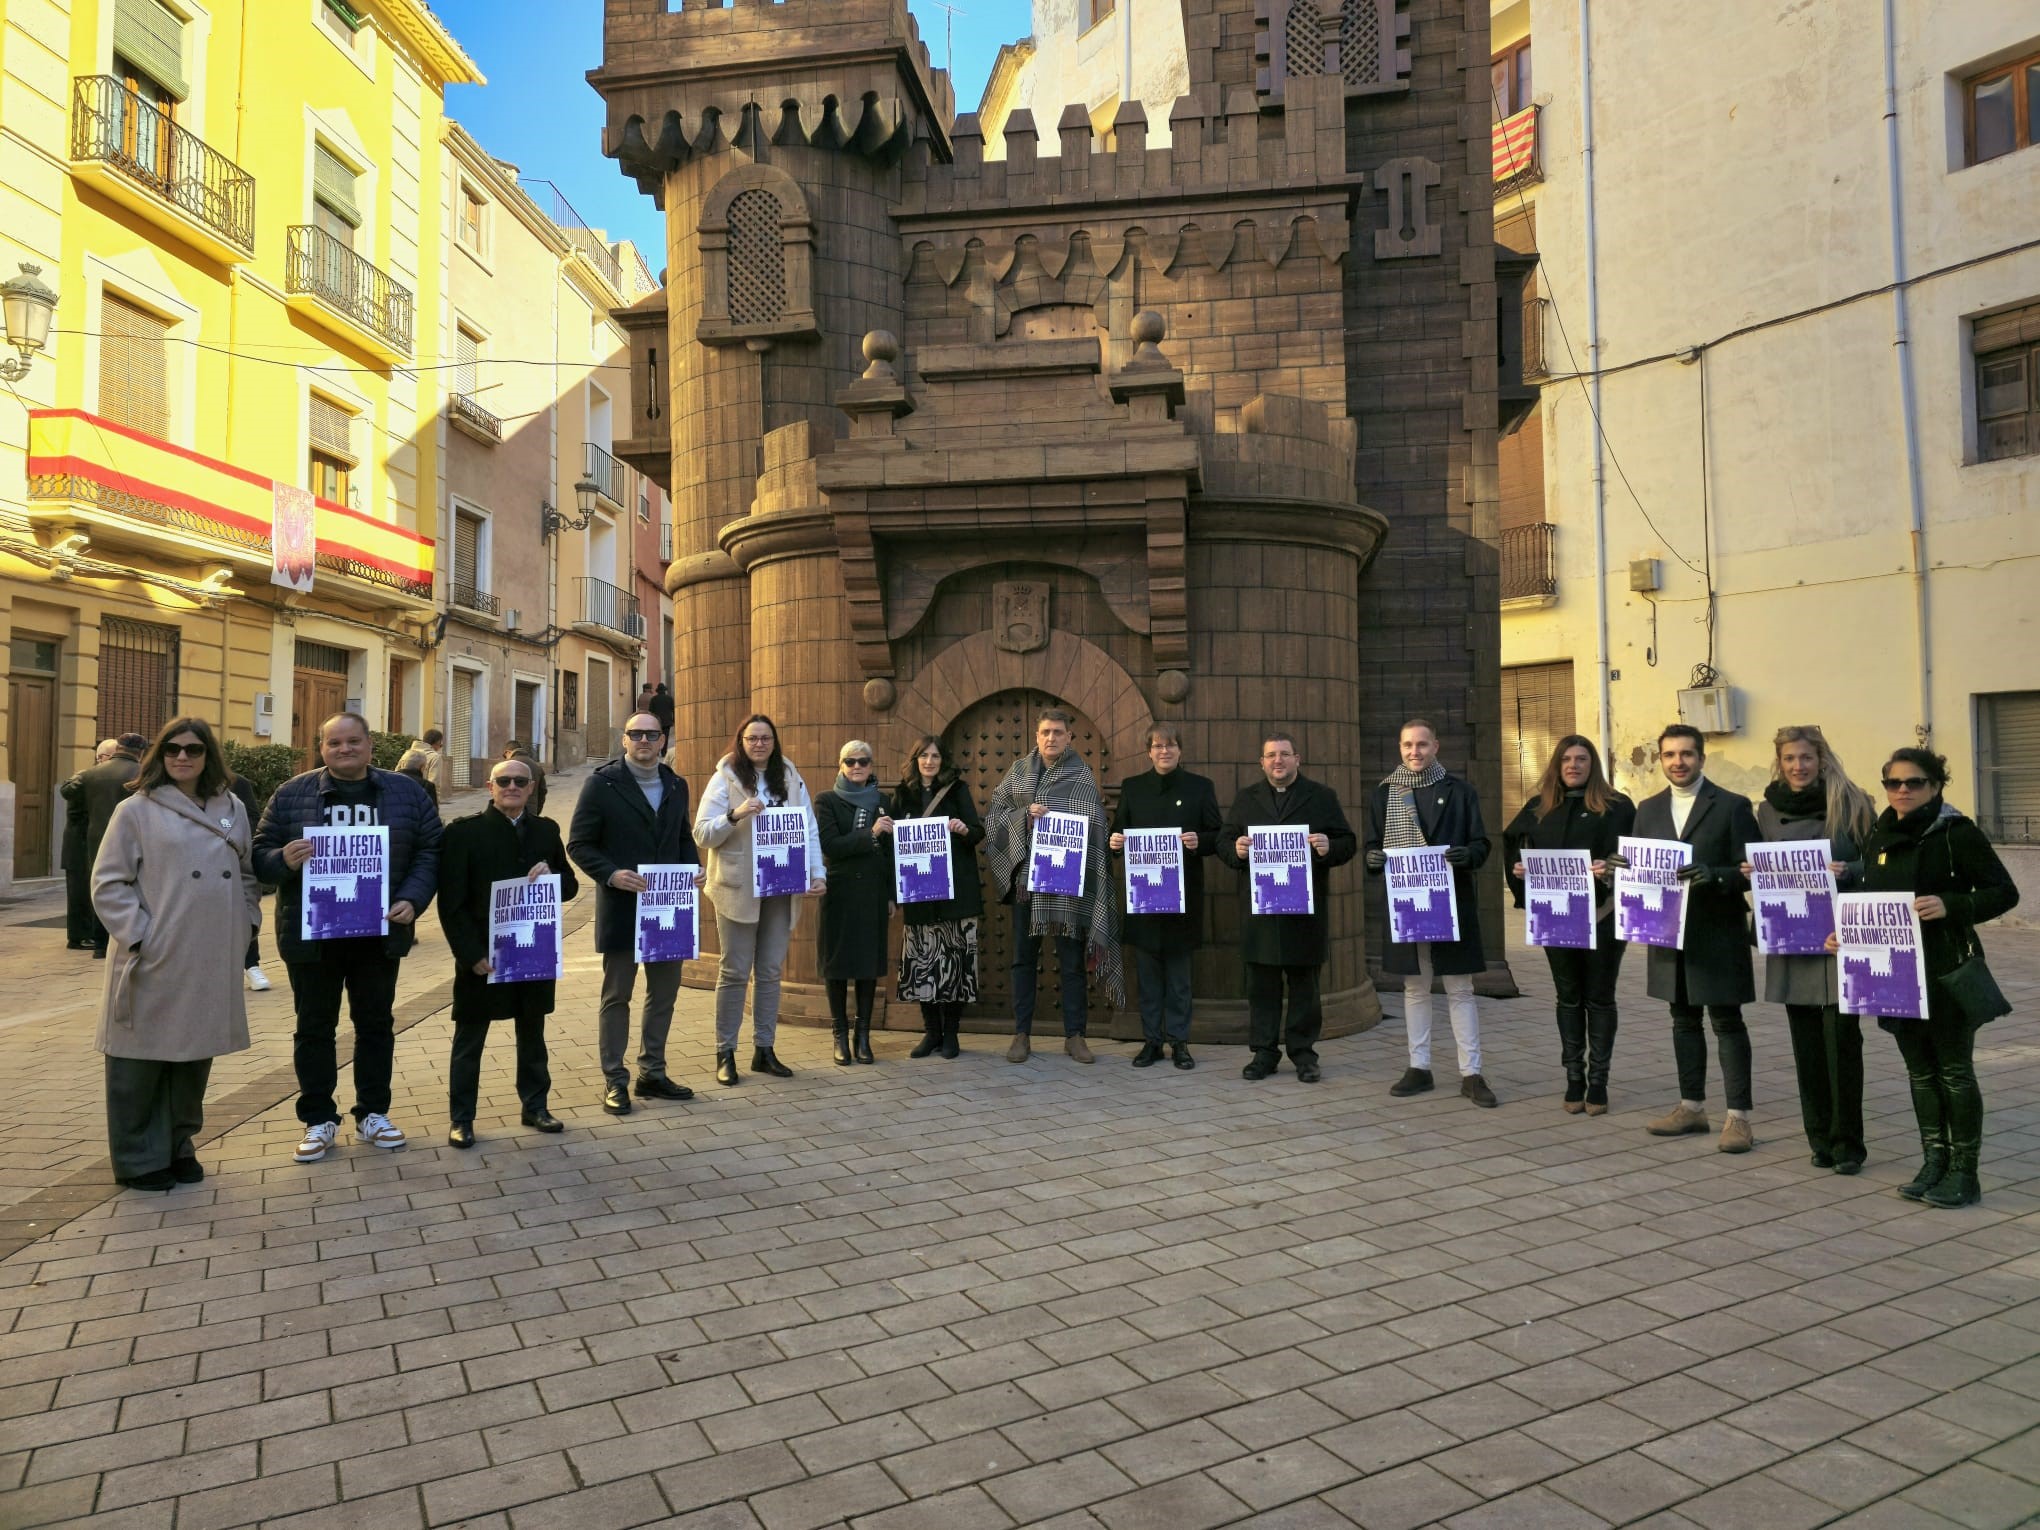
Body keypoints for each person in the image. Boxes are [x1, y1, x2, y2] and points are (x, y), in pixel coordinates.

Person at [254, 710, 443, 1164]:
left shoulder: (405, 791)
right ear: (321, 748)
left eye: (353, 742)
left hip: (378, 934)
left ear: (369, 746)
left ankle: (373, 1113)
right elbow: (258, 855)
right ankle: (318, 1119)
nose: (344, 750)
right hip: (312, 935)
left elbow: (430, 849)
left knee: (375, 1026)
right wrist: (283, 858)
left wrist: (412, 899)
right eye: (334, 743)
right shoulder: (291, 793)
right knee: (314, 1028)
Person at [1842, 748, 2018, 1208]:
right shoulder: (1881, 831)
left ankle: (1965, 1172)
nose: (1902, 791)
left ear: (1937, 786)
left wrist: (1952, 905)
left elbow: (2004, 892)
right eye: (1893, 783)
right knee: (1920, 1073)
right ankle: (1933, 1161)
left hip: (1944, 969)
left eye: (1914, 782)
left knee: (1955, 1072)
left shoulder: (1955, 833)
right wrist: (1845, 934)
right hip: (1893, 970)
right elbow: (1869, 895)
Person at [90, 718, 260, 1191]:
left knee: (191, 1057)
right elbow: (108, 883)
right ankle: (138, 1158)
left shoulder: (232, 808)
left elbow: (245, 874)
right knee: (139, 1061)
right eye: (172, 749)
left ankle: (178, 1145)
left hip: (210, 953)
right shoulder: (135, 810)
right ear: (159, 755)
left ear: (209, 755)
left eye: (193, 749)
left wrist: (245, 923)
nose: (182, 757)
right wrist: (141, 935)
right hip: (155, 953)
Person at [1623, 723, 1762, 1153]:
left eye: (1686, 754)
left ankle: (1738, 1118)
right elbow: (1637, 865)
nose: (1677, 762)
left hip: (1717, 930)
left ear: (1702, 757)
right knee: (1682, 1021)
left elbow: (1752, 870)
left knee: (1726, 1022)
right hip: (1666, 932)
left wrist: (1715, 876)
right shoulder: (1647, 809)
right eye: (1669, 755)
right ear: (1661, 759)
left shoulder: (1734, 806)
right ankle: (1692, 1107)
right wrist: (1618, 866)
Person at [1749, 726, 1875, 1173]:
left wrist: (1851, 870)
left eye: (1805, 757)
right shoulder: (1765, 810)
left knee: (1842, 1043)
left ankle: (1849, 1145)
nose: (1798, 766)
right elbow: (1758, 862)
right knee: (1805, 1046)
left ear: (1821, 760)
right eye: (1789, 759)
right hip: (1792, 939)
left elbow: (1878, 862)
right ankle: (1819, 1139)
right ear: (1779, 763)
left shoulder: (1853, 802)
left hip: (1840, 938)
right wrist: (1752, 871)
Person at [437, 757, 579, 1147]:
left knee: (533, 1032)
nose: (512, 786)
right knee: (470, 1038)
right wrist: (470, 954)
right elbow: (451, 903)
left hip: (532, 951)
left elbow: (569, 886)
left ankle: (535, 1106)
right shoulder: (464, 834)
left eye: (520, 781)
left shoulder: (546, 830)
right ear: (490, 786)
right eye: (504, 780)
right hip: (484, 956)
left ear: (531, 788)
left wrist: (554, 876)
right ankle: (461, 1118)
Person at [569, 712, 703, 1114]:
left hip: (668, 908)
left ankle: (653, 1073)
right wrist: (611, 875)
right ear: (624, 740)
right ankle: (615, 1079)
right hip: (624, 907)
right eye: (636, 734)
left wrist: (693, 868)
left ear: (663, 741)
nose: (644, 740)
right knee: (617, 996)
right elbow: (579, 844)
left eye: (652, 734)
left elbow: (682, 835)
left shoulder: (676, 784)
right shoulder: (602, 784)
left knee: (663, 994)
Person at [1367, 720, 1497, 1107]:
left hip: (1451, 901)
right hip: (1406, 903)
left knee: (1460, 988)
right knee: (1414, 987)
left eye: (1422, 744)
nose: (1414, 752)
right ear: (1399, 747)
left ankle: (1471, 1073)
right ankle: (1419, 1067)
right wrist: (1373, 859)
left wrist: (1468, 855)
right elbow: (1374, 845)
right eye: (1407, 745)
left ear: (1436, 746)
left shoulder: (1461, 792)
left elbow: (1481, 843)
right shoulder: (1385, 794)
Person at [1504, 735, 1635, 1114]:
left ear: (1593, 764)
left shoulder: (1616, 806)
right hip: (1555, 917)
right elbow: (1514, 843)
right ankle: (1573, 1078)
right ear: (1557, 766)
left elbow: (1632, 855)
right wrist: (1519, 871)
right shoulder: (1539, 807)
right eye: (1566, 759)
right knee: (1568, 997)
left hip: (1602, 916)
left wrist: (1610, 867)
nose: (1573, 765)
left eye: (1581, 759)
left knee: (1599, 997)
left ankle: (1599, 1082)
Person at [982, 709, 1121, 1064]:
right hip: (1027, 884)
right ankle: (1021, 1034)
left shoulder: (1081, 776)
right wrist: (1023, 816)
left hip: (1066, 886)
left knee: (1072, 963)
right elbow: (994, 818)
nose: (1051, 738)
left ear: (1069, 737)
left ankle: (1076, 1036)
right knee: (1022, 961)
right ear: (1036, 735)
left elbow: (1096, 829)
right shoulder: (1017, 772)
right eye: (1045, 732)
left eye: (1058, 732)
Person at [1219, 731, 1358, 1083]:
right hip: (1260, 912)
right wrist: (1235, 849)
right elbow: (1223, 839)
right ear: (1261, 762)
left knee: (1304, 989)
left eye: (1284, 754)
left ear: (1297, 759)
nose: (1277, 761)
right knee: (1261, 988)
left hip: (1304, 913)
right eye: (1270, 755)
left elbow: (1347, 842)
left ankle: (1304, 1055)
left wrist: (1329, 846)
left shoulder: (1321, 797)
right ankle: (1264, 1054)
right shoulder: (1245, 798)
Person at [695, 714, 824, 1085]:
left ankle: (764, 1049)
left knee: (769, 971)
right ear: (741, 741)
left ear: (774, 741)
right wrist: (736, 814)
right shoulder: (725, 778)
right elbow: (703, 834)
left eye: (765, 738)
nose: (759, 744)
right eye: (752, 738)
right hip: (738, 886)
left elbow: (809, 828)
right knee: (734, 971)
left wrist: (818, 873)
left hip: (780, 884)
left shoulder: (789, 775)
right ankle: (725, 1051)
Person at [1109, 725, 1223, 1070]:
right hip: (1144, 898)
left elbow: (1217, 835)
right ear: (1149, 751)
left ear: (1180, 750)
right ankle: (1152, 1042)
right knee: (1148, 978)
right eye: (1158, 746)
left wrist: (1198, 842)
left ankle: (1180, 1042)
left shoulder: (1200, 788)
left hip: (1182, 899)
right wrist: (1115, 842)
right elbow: (1118, 830)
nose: (1164, 751)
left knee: (1179, 980)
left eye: (1170, 745)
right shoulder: (1133, 787)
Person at [889, 735, 984, 1060]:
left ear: (943, 760)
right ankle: (931, 1033)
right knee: (923, 964)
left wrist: (961, 830)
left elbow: (977, 832)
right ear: (915, 760)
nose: (929, 761)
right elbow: (893, 850)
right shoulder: (902, 795)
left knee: (955, 964)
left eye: (935, 756)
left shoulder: (957, 790)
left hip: (956, 893)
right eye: (924, 756)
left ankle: (952, 1035)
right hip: (919, 894)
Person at [815, 740, 895, 1065]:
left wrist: (890, 893)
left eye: (863, 761)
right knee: (836, 966)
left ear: (871, 765)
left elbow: (890, 853)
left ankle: (863, 1036)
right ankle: (839, 1035)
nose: (857, 766)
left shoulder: (883, 801)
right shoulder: (827, 800)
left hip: (873, 893)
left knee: (866, 966)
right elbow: (830, 845)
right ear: (841, 764)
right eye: (850, 761)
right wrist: (871, 834)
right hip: (840, 893)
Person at [75, 733, 146, 957]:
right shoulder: (143, 774)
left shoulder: (91, 773)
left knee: (101, 885)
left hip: (97, 838)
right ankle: (127, 937)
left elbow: (75, 803)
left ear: (118, 748)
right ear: (141, 752)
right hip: (134, 838)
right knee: (132, 887)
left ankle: (99, 944)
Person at [61, 739, 119, 949]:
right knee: (79, 891)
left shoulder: (98, 778)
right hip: (79, 844)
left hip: (89, 842)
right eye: (113, 757)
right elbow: (69, 793)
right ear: (101, 757)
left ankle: (89, 934)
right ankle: (79, 936)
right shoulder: (88, 777)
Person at [229, 770, 272, 991]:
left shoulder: (236, 782)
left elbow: (253, 817)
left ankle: (251, 965)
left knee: (242, 912)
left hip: (230, 862)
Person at [501, 740, 547, 817]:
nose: (506, 759)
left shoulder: (506, 766)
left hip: (510, 812)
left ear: (507, 752)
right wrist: (536, 811)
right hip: (531, 812)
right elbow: (542, 792)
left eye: (505, 757)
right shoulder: (536, 766)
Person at [396, 729, 444, 799]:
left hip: (403, 797)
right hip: (422, 800)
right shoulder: (435, 757)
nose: (440, 747)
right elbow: (434, 784)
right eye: (441, 744)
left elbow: (396, 774)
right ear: (437, 742)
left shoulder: (406, 754)